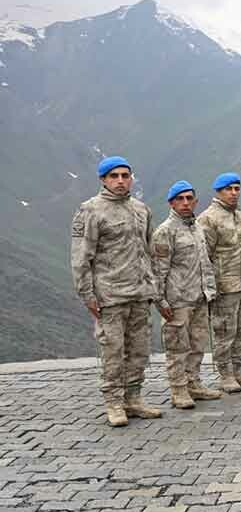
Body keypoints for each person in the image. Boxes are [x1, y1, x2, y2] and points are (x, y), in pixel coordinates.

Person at [70, 156, 163, 426]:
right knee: (113, 351)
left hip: (139, 293)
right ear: (103, 180)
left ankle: (133, 399)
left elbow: (149, 251)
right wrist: (87, 294)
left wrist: (153, 287)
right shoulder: (90, 211)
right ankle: (114, 403)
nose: (121, 181)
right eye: (114, 176)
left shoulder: (141, 209)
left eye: (125, 175)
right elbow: (81, 258)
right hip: (110, 295)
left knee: (139, 350)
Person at [153, 180, 221, 409]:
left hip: (199, 297)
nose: (185, 203)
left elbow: (205, 263)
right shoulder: (165, 232)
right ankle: (178, 389)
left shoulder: (197, 227)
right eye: (180, 199)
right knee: (177, 347)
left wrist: (210, 290)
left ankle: (194, 383)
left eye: (189, 198)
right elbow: (158, 269)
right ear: (171, 203)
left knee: (197, 344)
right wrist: (160, 299)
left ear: (195, 201)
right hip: (178, 300)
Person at [199, 172, 241, 392]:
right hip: (223, 286)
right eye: (229, 189)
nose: (234, 193)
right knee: (224, 331)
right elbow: (204, 256)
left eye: (237, 189)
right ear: (218, 192)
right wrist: (209, 287)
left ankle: (238, 370)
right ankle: (225, 374)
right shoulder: (208, 219)